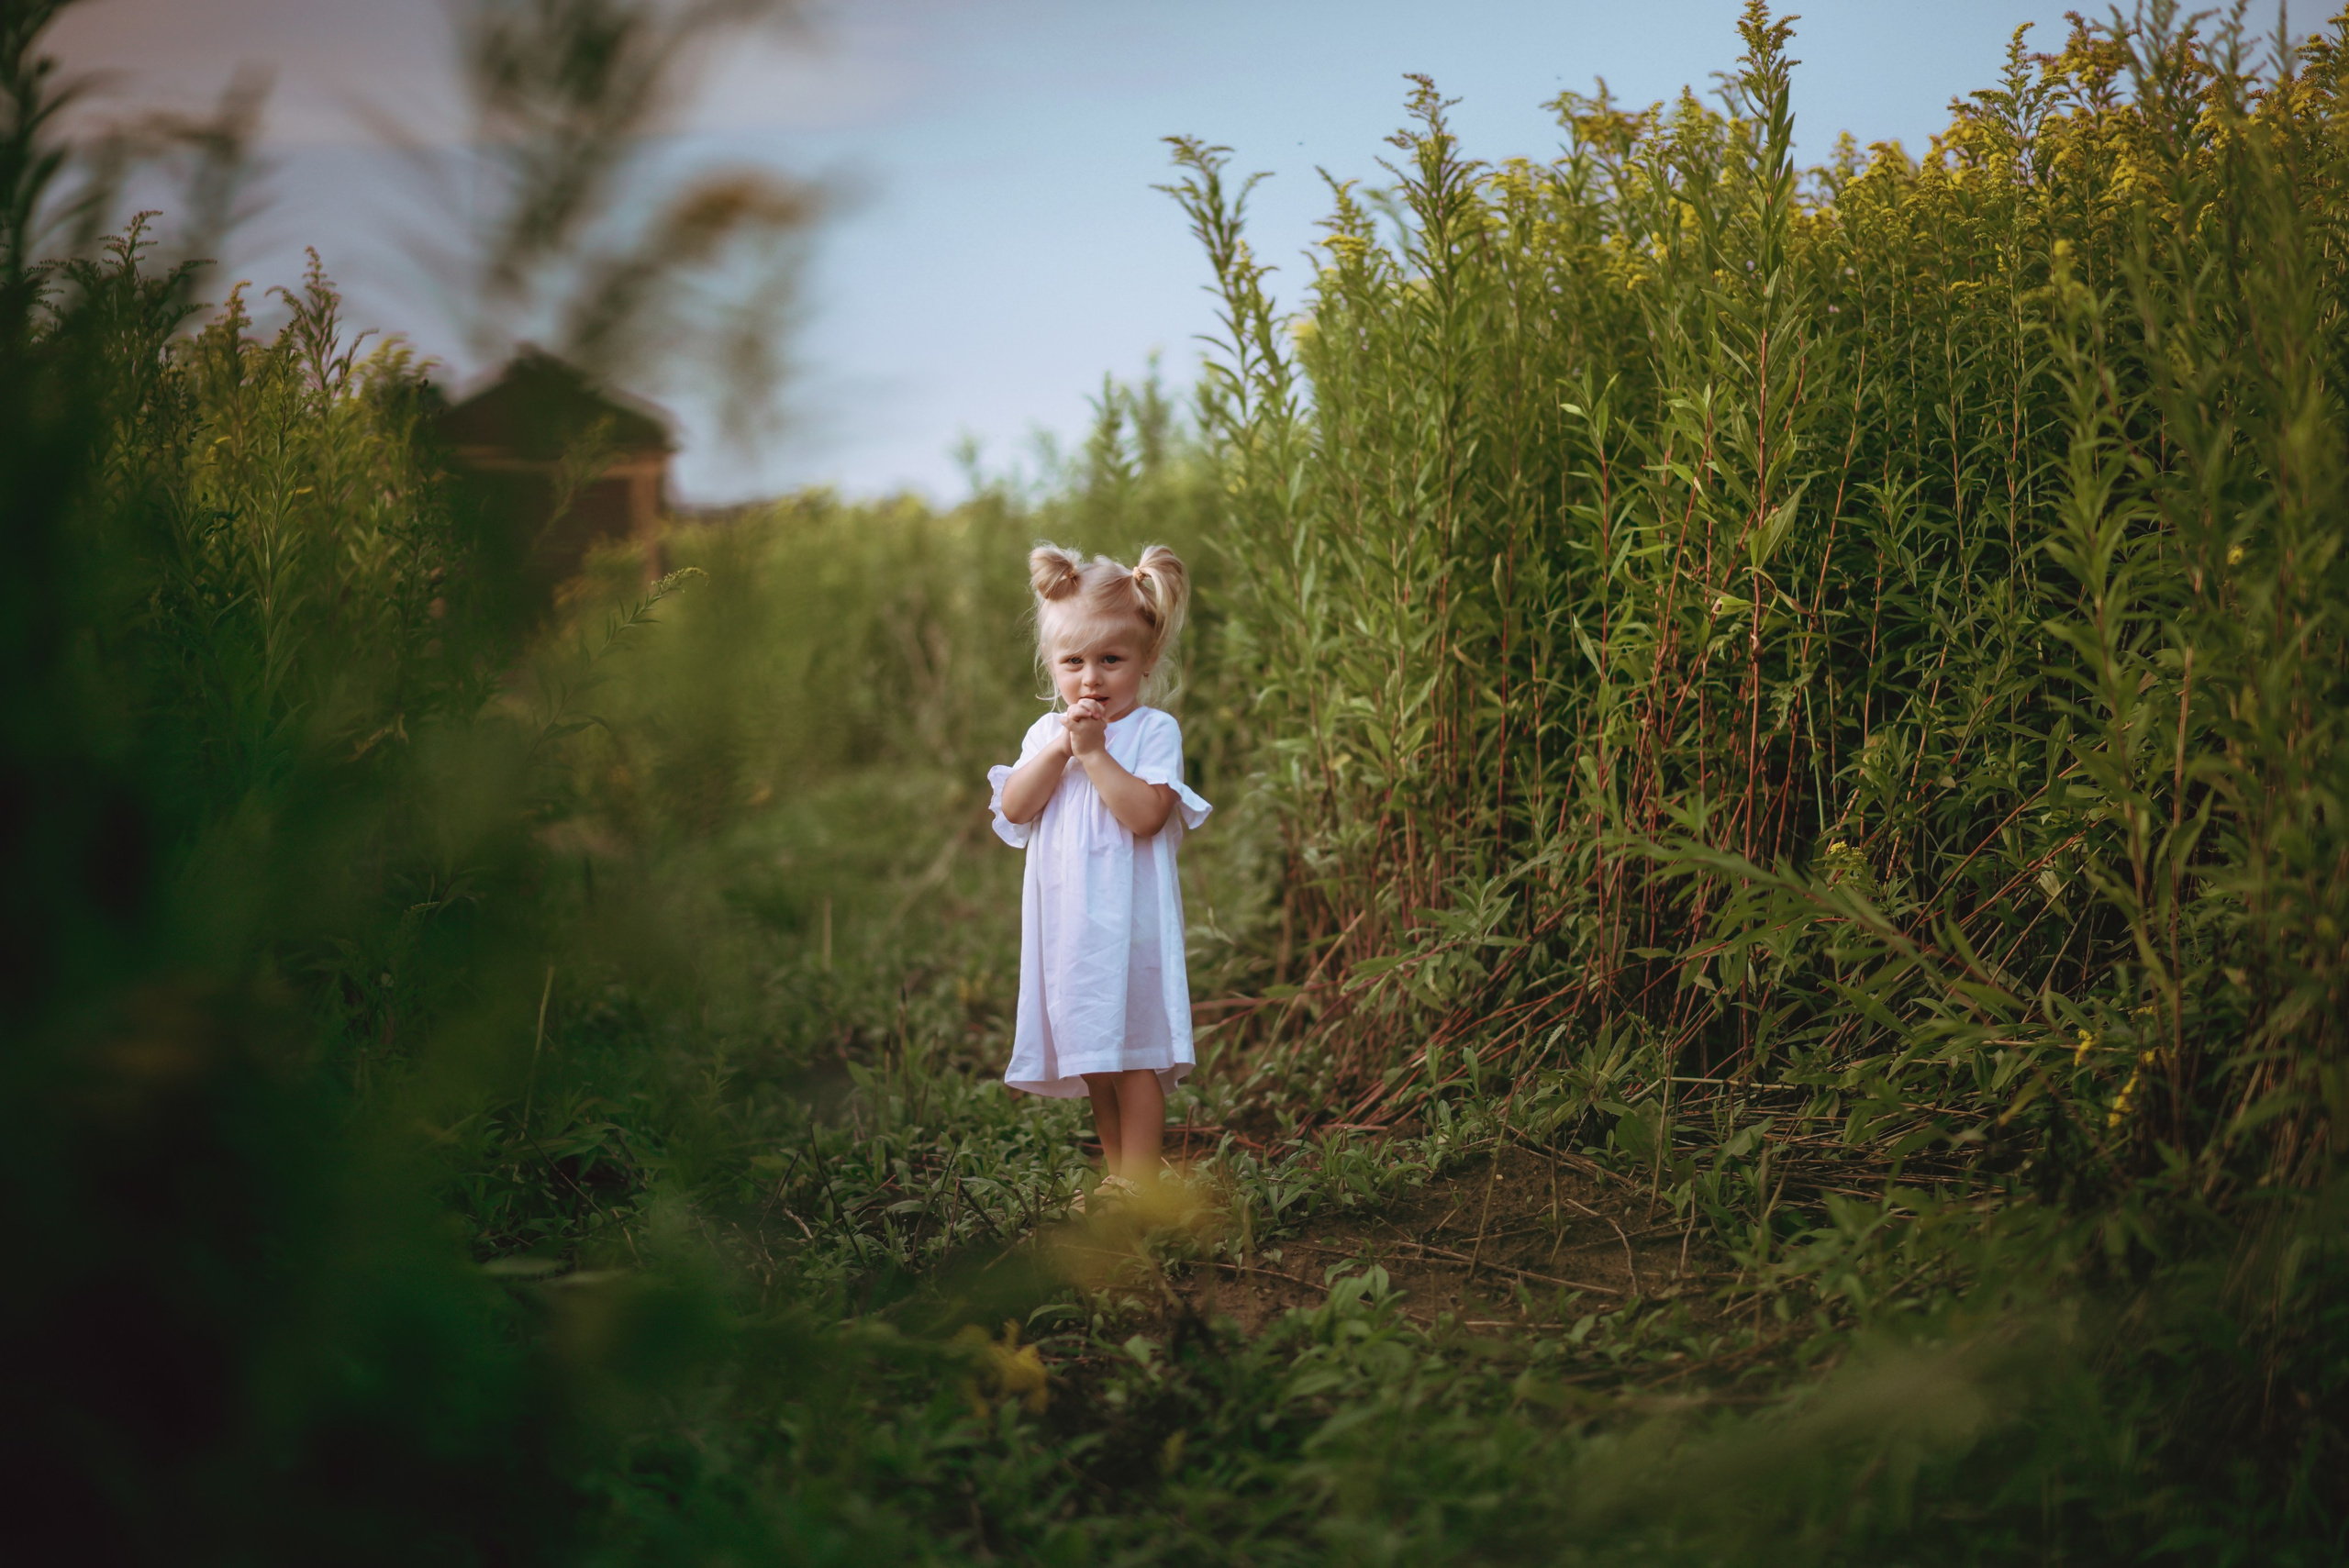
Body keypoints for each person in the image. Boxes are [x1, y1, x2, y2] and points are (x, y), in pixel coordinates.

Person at [987, 542, 1210, 1207]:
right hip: (1069, 930)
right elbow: (1015, 807)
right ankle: (1119, 1176)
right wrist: (1062, 746)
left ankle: (1141, 1181)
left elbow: (1144, 815)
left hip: (1131, 927)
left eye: (1111, 660)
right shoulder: (1045, 735)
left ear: (1145, 659)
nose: (1091, 678)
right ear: (1051, 664)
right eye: (1073, 661)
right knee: (1094, 1060)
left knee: (1134, 1051)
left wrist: (1094, 754)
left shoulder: (1151, 731)